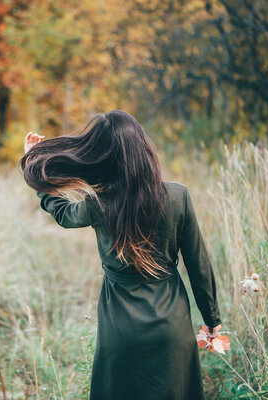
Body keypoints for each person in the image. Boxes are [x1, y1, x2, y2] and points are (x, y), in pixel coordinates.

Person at [19, 110, 222, 400]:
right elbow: (198, 264)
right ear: (144, 148)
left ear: (102, 158)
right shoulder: (178, 196)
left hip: (120, 332)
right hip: (171, 329)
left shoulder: (98, 204)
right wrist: (211, 318)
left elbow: (62, 213)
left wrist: (35, 160)